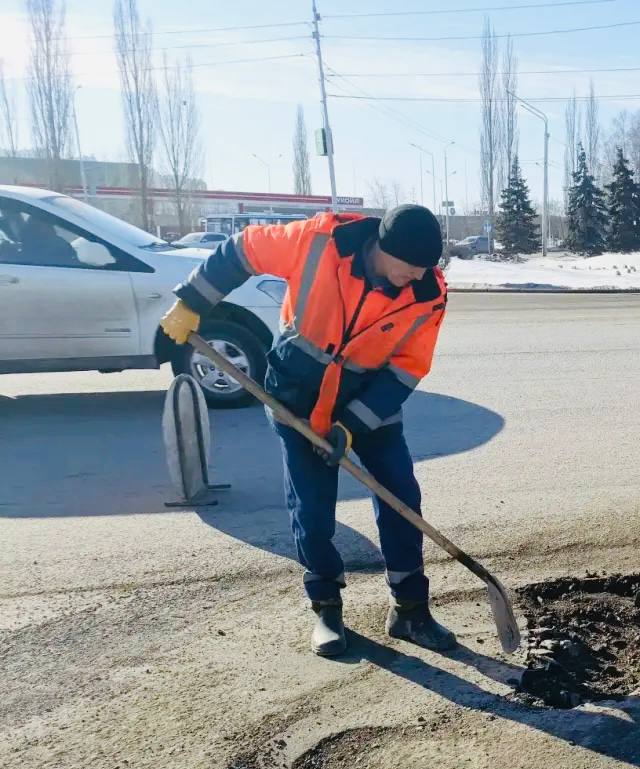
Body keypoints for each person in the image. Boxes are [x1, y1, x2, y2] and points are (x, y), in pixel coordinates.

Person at [159, 205, 455, 658]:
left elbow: (407, 368)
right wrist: (192, 302)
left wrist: (352, 425)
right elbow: (243, 250)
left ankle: (411, 610)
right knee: (313, 510)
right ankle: (326, 608)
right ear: (381, 248)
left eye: (423, 269)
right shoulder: (317, 243)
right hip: (296, 398)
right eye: (409, 267)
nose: (415, 277)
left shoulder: (428, 294)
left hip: (370, 402)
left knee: (401, 496)